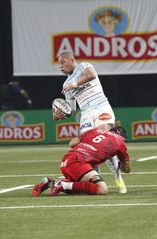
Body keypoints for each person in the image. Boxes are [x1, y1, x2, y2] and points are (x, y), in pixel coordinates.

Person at [53, 51, 127, 194]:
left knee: (105, 142)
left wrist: (73, 84)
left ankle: (118, 178)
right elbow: (72, 110)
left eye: (63, 62)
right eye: (59, 64)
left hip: (101, 107)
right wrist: (60, 116)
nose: (61, 67)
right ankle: (97, 180)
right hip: (86, 114)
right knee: (90, 149)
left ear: (72, 60)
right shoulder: (66, 84)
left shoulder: (84, 66)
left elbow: (91, 75)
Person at [32, 126, 130, 196]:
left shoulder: (95, 131)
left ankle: (50, 183)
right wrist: (120, 163)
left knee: (83, 188)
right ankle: (61, 185)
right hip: (79, 162)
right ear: (120, 135)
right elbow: (127, 170)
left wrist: (89, 147)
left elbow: (72, 143)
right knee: (102, 189)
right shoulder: (120, 143)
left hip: (67, 160)